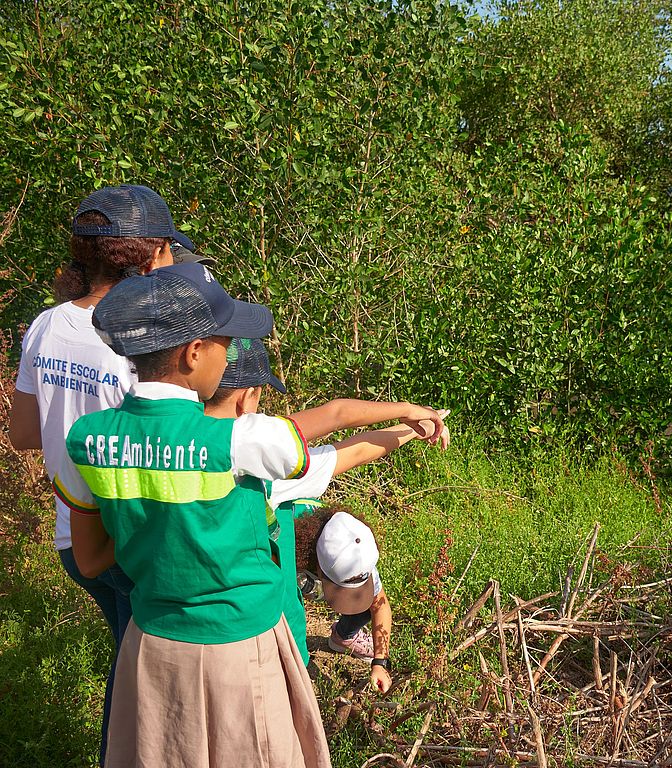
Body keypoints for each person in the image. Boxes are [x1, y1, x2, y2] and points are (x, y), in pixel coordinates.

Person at [53, 263, 332, 767]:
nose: (230, 354)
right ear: (194, 352)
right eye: (225, 340)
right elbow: (299, 449)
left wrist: (151, 527)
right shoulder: (246, 439)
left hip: (153, 647)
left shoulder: (88, 440)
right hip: (241, 647)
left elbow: (91, 560)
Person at [8, 184, 205, 765]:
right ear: (148, 260)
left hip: (74, 537)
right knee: (146, 692)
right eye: (169, 254)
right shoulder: (137, 341)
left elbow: (24, 435)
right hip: (131, 539)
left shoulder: (46, 326)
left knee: (133, 666)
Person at [202, 337, 449, 691]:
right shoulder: (261, 452)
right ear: (247, 396)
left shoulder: (176, 436)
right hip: (244, 614)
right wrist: (413, 417)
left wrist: (414, 425)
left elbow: (346, 429)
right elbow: (347, 436)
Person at [297, 506, 396, 694]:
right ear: (318, 564)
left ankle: (343, 636)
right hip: (290, 569)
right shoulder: (285, 544)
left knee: (367, 600)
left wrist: (380, 662)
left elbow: (380, 605)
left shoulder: (356, 550)